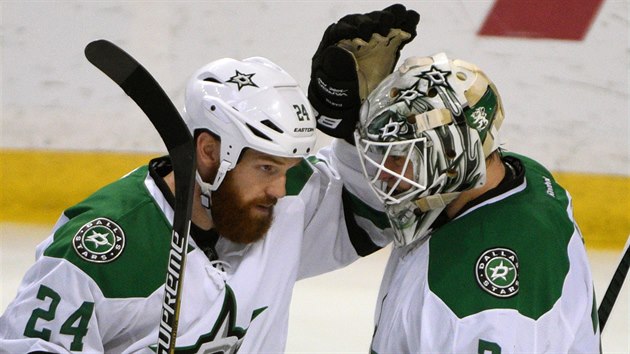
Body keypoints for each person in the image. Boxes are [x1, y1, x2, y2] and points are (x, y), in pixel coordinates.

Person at [0, 27, 425, 351]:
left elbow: (383, 209)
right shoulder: (99, 251)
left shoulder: (280, 203)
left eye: (288, 168)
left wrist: (350, 123)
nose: (280, 189)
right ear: (208, 151)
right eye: (265, 167)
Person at [308, 6, 601, 352]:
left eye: (399, 157)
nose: (383, 176)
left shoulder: (481, 307)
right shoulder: (517, 179)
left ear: (451, 156)